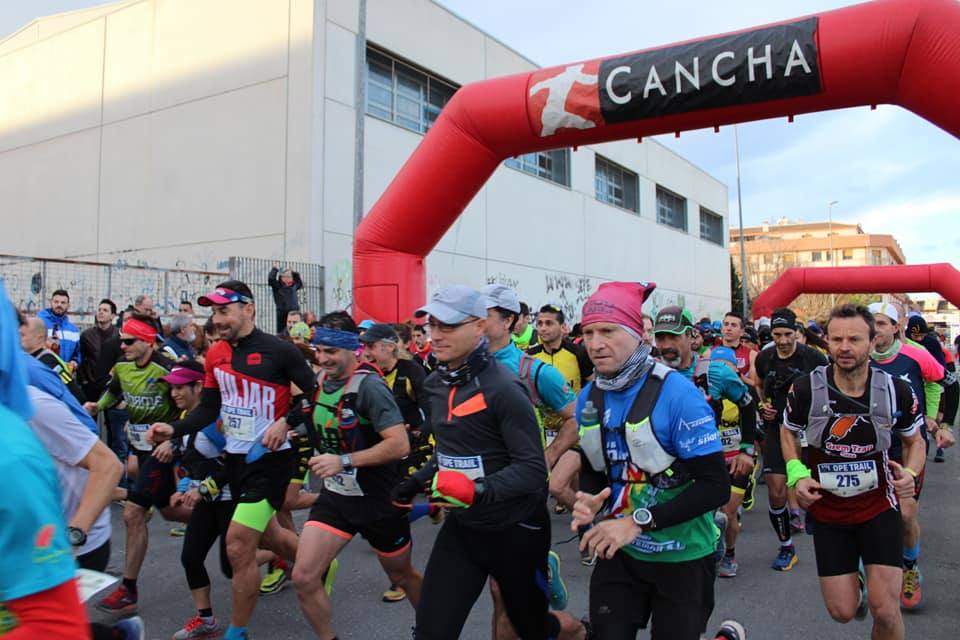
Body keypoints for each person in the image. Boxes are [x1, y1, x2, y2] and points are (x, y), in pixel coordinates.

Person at [393, 285, 586, 640]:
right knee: (432, 631)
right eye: (432, 325)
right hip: (465, 528)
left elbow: (531, 470)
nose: (435, 335)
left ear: (479, 326)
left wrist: (476, 489)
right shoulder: (435, 383)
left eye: (447, 326)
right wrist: (417, 479)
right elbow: (452, 450)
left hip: (517, 528)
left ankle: (579, 633)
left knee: (528, 628)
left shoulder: (504, 387)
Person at [147, 280, 317, 640]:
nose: (217, 319)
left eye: (224, 310)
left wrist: (285, 421)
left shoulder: (280, 351)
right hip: (235, 459)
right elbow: (209, 407)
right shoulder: (216, 354)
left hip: (271, 460)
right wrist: (174, 430)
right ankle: (319, 562)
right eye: (214, 312)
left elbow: (313, 396)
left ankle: (236, 633)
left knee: (238, 543)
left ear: (249, 310)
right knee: (272, 536)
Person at [570, 282, 729, 640]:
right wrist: (590, 500)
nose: (595, 344)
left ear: (639, 333)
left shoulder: (679, 395)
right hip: (622, 552)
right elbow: (597, 467)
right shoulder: (589, 398)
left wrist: (639, 521)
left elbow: (715, 486)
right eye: (589, 332)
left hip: (683, 553)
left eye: (608, 331)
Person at [782, 304, 925, 640]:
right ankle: (859, 585)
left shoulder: (895, 390)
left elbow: (915, 442)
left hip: (878, 508)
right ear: (827, 343)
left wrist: (909, 472)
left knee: (886, 611)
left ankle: (889, 582)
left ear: (872, 342)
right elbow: (787, 432)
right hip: (830, 513)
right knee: (842, 612)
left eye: (854, 339)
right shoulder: (805, 389)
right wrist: (796, 473)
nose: (844, 347)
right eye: (837, 339)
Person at [290, 313, 421, 638]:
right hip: (337, 497)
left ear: (353, 350)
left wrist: (344, 460)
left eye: (330, 352)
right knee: (304, 577)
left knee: (402, 576)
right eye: (318, 350)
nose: (322, 358)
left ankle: (435, 629)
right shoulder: (322, 379)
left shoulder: (370, 387)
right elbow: (310, 411)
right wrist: (285, 425)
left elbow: (399, 444)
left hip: (379, 500)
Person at [483, 284, 578, 629]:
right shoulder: (463, 365)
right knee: (501, 591)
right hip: (480, 490)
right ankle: (541, 566)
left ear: (509, 320)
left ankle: (578, 630)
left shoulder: (531, 369)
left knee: (502, 591)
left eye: (486, 314)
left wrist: (549, 455)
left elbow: (575, 416)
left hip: (522, 487)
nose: (476, 321)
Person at [86, 313, 188, 615]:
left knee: (132, 514)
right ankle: (222, 519)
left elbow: (188, 404)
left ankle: (128, 589)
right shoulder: (122, 367)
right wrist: (97, 405)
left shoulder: (167, 368)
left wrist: (175, 440)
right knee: (170, 511)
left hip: (164, 451)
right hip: (142, 449)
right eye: (122, 340)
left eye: (129, 341)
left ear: (147, 342)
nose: (123, 345)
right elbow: (114, 390)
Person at [867, 302, 951, 610]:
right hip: (869, 448)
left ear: (895, 327)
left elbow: (943, 383)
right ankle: (870, 568)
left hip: (908, 446)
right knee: (869, 511)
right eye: (871, 322)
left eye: (881, 322)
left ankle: (910, 567)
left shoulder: (915, 354)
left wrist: (937, 420)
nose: (875, 328)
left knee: (904, 513)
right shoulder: (857, 356)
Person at [360, 321, 431, 604]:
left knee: (394, 506)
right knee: (387, 507)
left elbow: (430, 407)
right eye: (362, 347)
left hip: (411, 448)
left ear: (389, 348)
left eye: (370, 347)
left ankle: (400, 579)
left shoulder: (411, 371)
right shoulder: (365, 375)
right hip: (381, 450)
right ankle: (429, 508)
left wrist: (418, 433)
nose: (364, 353)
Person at [751, 307, 828, 571]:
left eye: (787, 334)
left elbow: (832, 389)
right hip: (777, 430)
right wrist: (763, 406)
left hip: (812, 431)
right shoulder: (765, 357)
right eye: (777, 334)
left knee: (819, 488)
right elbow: (758, 384)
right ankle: (786, 547)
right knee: (775, 492)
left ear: (797, 332)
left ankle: (830, 535)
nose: (783, 340)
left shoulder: (814, 358)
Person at [165, 362, 235, 640]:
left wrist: (205, 488)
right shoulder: (187, 416)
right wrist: (183, 486)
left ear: (198, 387)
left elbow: (234, 463)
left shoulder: (215, 421)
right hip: (206, 500)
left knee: (231, 566)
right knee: (190, 557)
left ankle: (284, 558)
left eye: (180, 387)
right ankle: (206, 619)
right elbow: (194, 461)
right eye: (172, 388)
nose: (174, 393)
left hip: (230, 498)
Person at [527, 304, 594, 395]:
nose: (543, 328)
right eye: (540, 323)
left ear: (562, 327)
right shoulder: (529, 356)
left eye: (549, 323)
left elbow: (593, 384)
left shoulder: (579, 353)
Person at [20, 317, 86, 403]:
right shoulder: (30, 359)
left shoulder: (48, 361)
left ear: (38, 338)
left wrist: (82, 407)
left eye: (23, 335)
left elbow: (70, 387)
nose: (19, 338)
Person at [78, 299, 121, 402]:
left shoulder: (119, 336)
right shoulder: (86, 335)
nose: (101, 312)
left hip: (112, 386)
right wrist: (84, 380)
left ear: (113, 316)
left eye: (105, 310)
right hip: (90, 385)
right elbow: (82, 359)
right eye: (99, 310)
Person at [37, 288, 81, 366]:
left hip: (64, 375)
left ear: (68, 305)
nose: (59, 305)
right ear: (51, 303)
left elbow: (78, 354)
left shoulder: (73, 330)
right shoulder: (39, 323)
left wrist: (74, 363)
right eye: (56, 302)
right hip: (43, 373)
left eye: (63, 302)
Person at [720, 311, 757, 385]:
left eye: (733, 325)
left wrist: (738, 374)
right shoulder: (710, 352)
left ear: (742, 332)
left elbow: (755, 385)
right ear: (721, 329)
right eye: (726, 324)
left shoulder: (752, 355)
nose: (729, 328)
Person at [269, 265, 303, 335]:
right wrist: (275, 269)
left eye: (288, 277)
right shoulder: (277, 286)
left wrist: (293, 272)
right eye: (284, 276)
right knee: (282, 333)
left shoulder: (294, 286)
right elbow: (271, 279)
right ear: (281, 278)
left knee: (296, 331)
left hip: (295, 312)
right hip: (282, 313)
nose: (286, 278)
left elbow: (299, 282)